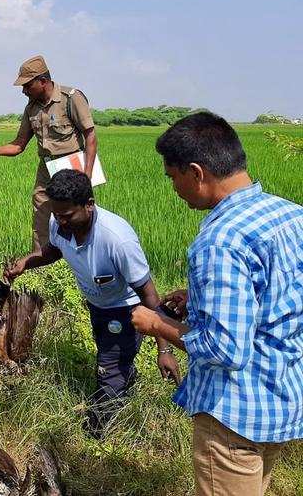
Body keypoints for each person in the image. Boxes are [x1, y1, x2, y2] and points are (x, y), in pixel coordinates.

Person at [131, 112, 303, 496]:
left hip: (234, 417)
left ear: (196, 172)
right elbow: (284, 291)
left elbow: (225, 349)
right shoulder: (289, 215)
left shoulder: (220, 240)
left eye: (172, 177)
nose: (173, 188)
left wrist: (155, 324)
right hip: (280, 401)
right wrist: (200, 294)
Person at [5, 169, 179, 437]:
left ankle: (96, 434)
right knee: (110, 355)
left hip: (125, 310)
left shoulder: (117, 240)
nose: (60, 222)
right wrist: (26, 263)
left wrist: (164, 350)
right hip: (97, 304)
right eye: (57, 215)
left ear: (89, 205)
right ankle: (126, 377)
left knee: (108, 370)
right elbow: (54, 251)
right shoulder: (60, 220)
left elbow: (149, 296)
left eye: (67, 216)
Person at [0, 55, 98, 251]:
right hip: (46, 168)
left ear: (43, 81)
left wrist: (86, 177)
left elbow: (90, 137)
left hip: (71, 167)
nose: (24, 91)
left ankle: (81, 260)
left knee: (76, 217)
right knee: (41, 215)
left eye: (27, 85)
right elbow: (19, 144)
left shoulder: (71, 98)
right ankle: (40, 261)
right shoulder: (31, 108)